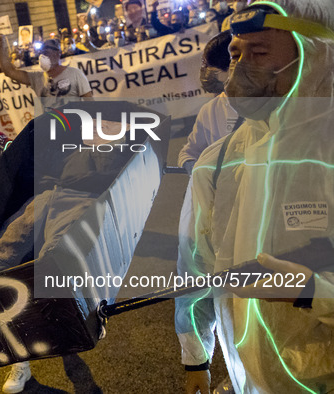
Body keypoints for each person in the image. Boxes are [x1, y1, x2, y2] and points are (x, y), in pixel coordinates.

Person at [176, 1, 334, 393]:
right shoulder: (218, 164)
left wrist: (312, 292)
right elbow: (196, 266)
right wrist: (195, 357)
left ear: (313, 53)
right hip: (248, 377)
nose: (242, 67)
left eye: (260, 53)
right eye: (236, 54)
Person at [177, 30, 237, 174]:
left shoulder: (270, 106)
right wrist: (191, 165)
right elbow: (189, 152)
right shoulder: (210, 111)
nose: (206, 71)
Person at [0, 35, 92, 110]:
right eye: (41, 52)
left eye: (46, 51)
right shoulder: (37, 78)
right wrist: (1, 46)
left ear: (58, 53)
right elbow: (10, 72)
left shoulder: (75, 74)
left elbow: (90, 103)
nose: (43, 55)